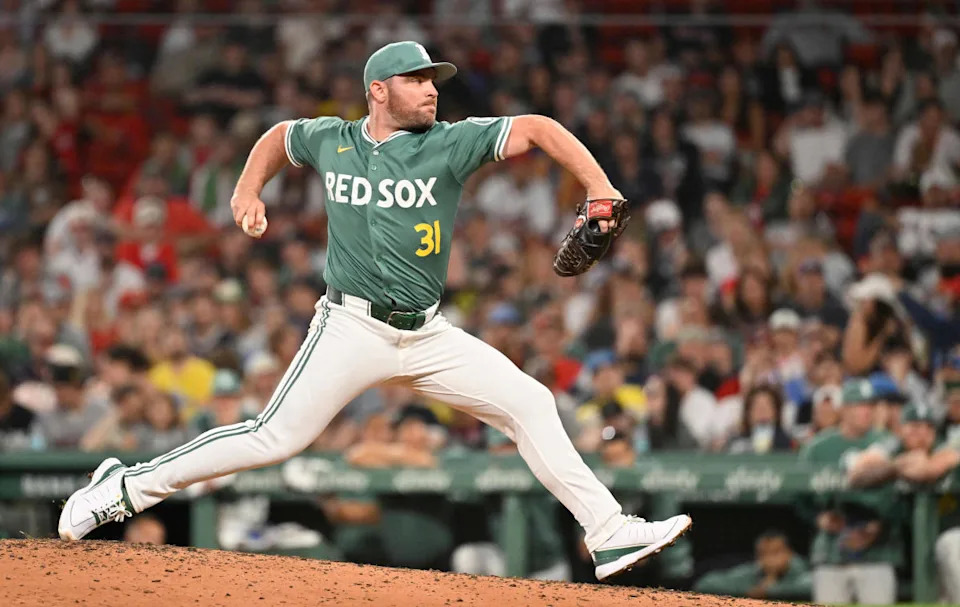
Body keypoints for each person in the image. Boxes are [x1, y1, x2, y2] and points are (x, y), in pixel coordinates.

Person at [58, 40, 691, 581]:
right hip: (351, 325)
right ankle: (122, 488)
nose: (431, 90)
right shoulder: (332, 140)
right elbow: (279, 137)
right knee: (274, 437)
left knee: (531, 403)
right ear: (378, 91)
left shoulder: (451, 144)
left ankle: (608, 531)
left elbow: (538, 128)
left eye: (433, 80)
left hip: (428, 331)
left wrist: (599, 186)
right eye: (416, 80)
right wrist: (248, 188)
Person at [800, 378, 903, 605]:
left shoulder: (889, 443)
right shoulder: (819, 447)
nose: (866, 411)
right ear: (844, 409)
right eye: (859, 405)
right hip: (831, 550)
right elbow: (798, 496)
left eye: (870, 406)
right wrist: (818, 519)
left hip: (878, 549)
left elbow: (902, 499)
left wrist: (879, 526)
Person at [693, 530, 811, 601]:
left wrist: (770, 590)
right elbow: (704, 583)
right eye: (763, 553)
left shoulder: (802, 572)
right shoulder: (752, 572)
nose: (770, 559)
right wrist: (747, 592)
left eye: (776, 552)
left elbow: (813, 587)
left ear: (789, 553)